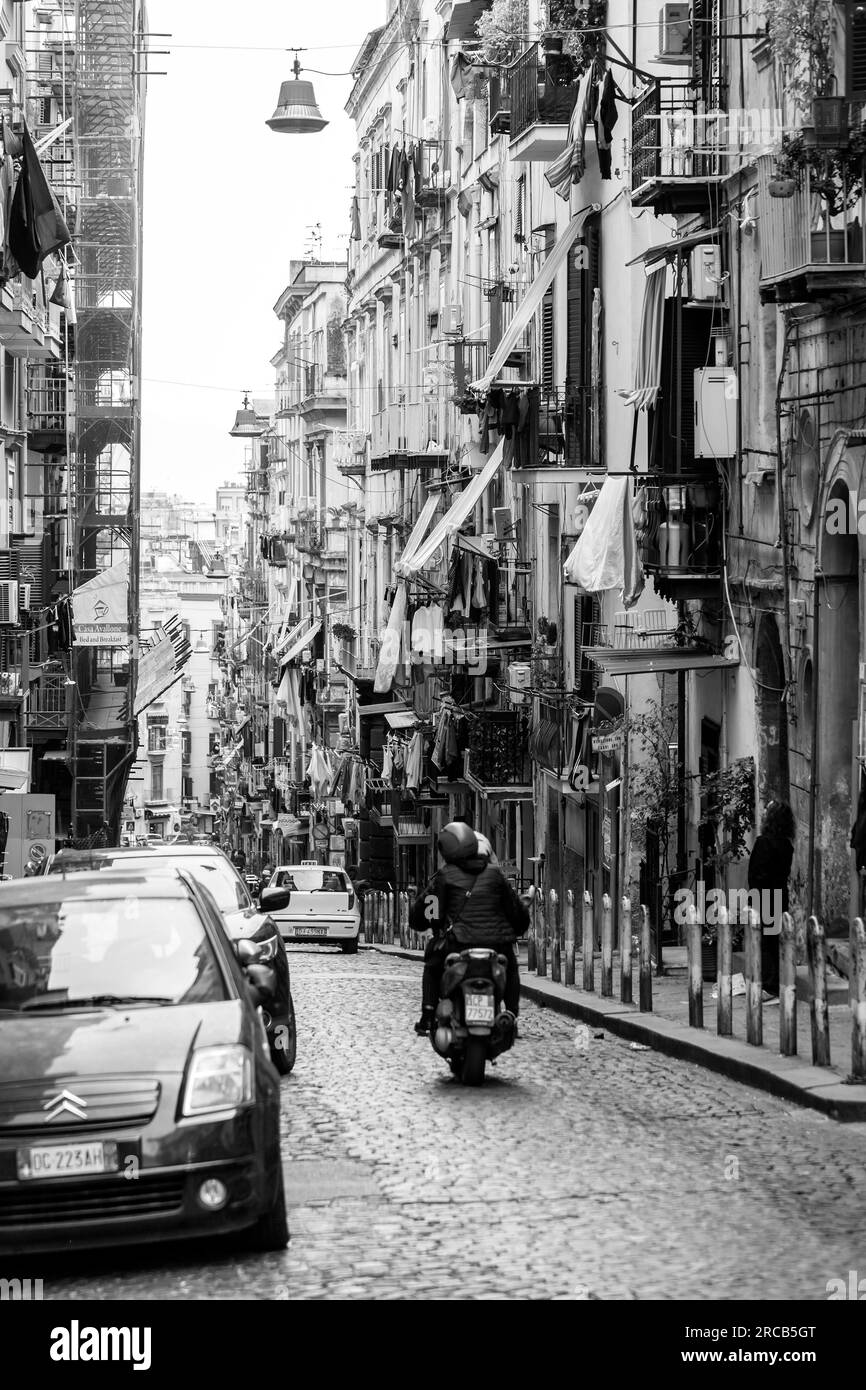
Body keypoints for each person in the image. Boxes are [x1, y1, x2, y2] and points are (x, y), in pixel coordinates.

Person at [411, 821, 529, 1036]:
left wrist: (428, 923)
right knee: (510, 966)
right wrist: (518, 927)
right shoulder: (495, 875)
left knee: (432, 964)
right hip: (497, 947)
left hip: (458, 945)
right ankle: (511, 1014)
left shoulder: (445, 876)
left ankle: (428, 1014)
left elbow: (426, 914)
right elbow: (516, 913)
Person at [747, 800, 795, 1001]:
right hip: (780, 895)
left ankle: (769, 985)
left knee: (765, 942)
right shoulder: (787, 844)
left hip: (763, 896)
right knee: (774, 940)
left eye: (767, 810)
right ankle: (774, 982)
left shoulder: (763, 842)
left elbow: (755, 873)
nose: (763, 812)